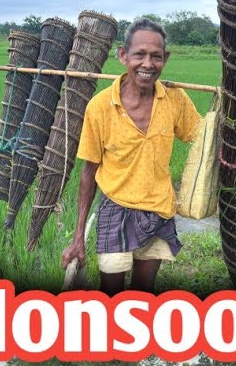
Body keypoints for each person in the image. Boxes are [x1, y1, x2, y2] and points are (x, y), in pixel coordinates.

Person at [62, 18, 202, 295]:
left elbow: (202, 137)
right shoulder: (100, 107)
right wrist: (78, 236)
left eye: (156, 56)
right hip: (116, 209)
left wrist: (231, 110)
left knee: (143, 291)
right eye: (139, 54)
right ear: (123, 55)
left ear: (166, 59)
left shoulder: (175, 99)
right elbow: (88, 173)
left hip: (159, 210)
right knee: (111, 290)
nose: (147, 64)